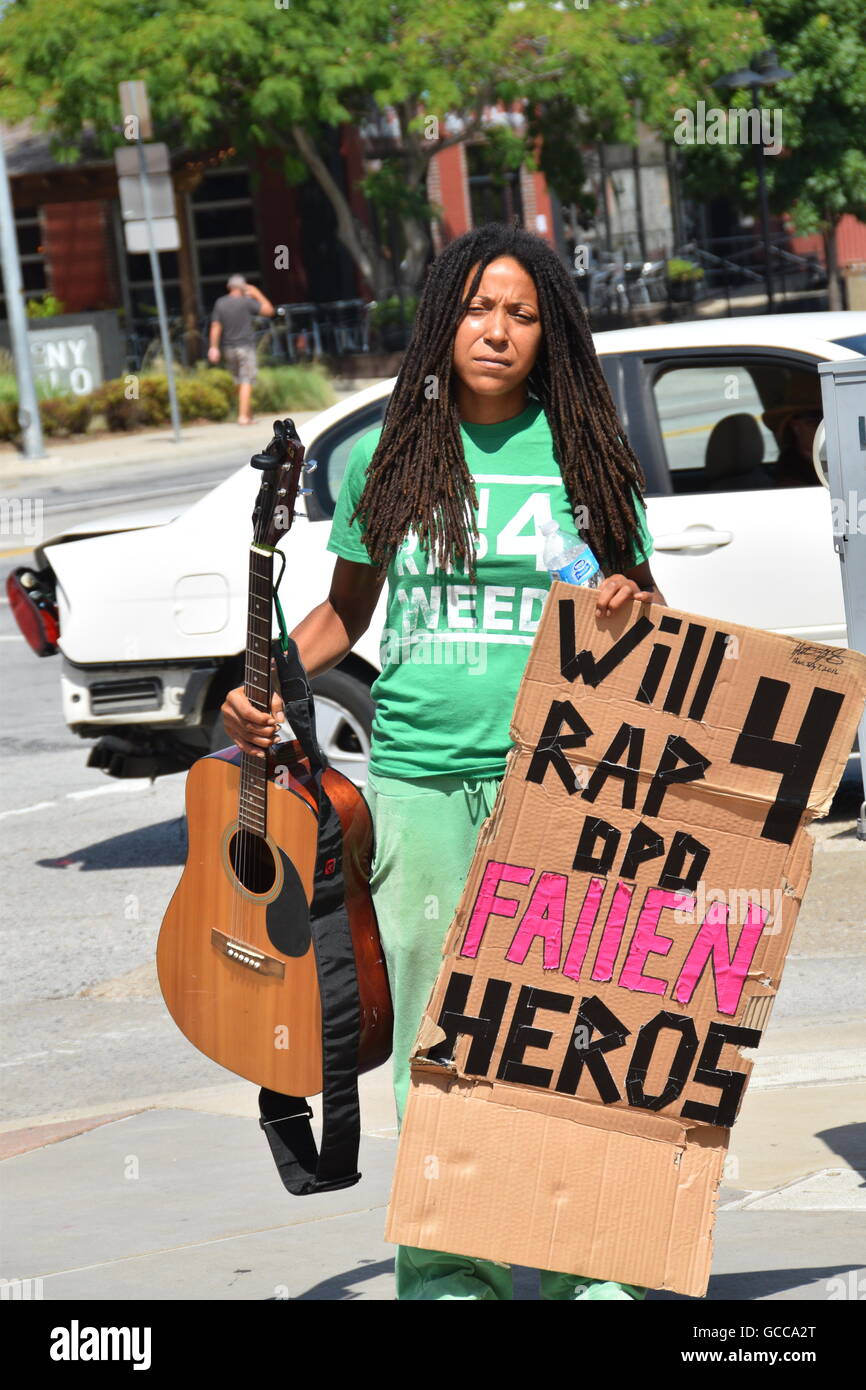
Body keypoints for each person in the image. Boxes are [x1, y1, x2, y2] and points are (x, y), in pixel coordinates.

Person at [221, 222, 668, 1300]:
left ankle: (581, 1277)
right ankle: (447, 1275)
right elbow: (343, 613)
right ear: (442, 321)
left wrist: (624, 600)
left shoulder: (583, 455)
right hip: (416, 790)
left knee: (560, 1041)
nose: (498, 330)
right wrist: (267, 676)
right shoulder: (395, 454)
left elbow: (648, 614)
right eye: (478, 308)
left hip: (554, 789)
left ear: (548, 329)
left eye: (520, 312)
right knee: (437, 1051)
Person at [208, 274, 274, 424]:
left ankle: (247, 414)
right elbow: (269, 311)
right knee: (247, 380)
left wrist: (213, 347)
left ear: (229, 287)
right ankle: (243, 416)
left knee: (238, 380)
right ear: (243, 287)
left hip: (228, 347)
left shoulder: (220, 303)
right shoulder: (246, 302)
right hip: (245, 346)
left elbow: (215, 326)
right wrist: (257, 293)